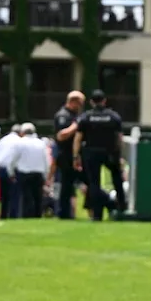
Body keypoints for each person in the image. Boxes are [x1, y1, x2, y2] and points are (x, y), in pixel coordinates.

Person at [72, 90, 126, 221]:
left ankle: (97, 214)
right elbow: (119, 138)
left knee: (94, 183)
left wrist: (75, 156)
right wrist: (120, 155)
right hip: (110, 152)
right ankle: (121, 209)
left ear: (91, 102)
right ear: (104, 101)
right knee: (117, 181)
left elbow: (78, 138)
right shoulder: (113, 117)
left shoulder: (86, 117)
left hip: (91, 153)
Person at [53, 90, 84, 218]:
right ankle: (63, 213)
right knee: (66, 186)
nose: (81, 106)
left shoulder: (74, 115)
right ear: (73, 102)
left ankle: (69, 213)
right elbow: (61, 135)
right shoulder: (63, 115)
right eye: (80, 103)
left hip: (74, 156)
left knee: (71, 186)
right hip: (65, 155)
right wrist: (76, 126)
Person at [12, 123, 50, 218]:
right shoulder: (41, 143)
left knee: (26, 198)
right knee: (38, 197)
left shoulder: (20, 142)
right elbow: (46, 160)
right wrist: (46, 175)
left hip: (24, 173)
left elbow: (14, 159)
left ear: (22, 132)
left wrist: (11, 172)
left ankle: (27, 216)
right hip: (38, 174)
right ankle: (37, 215)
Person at [0, 124, 23, 219]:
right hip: (13, 169)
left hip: (1, 169)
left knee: (4, 196)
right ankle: (13, 216)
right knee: (14, 195)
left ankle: (3, 215)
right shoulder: (19, 141)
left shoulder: (2, 140)